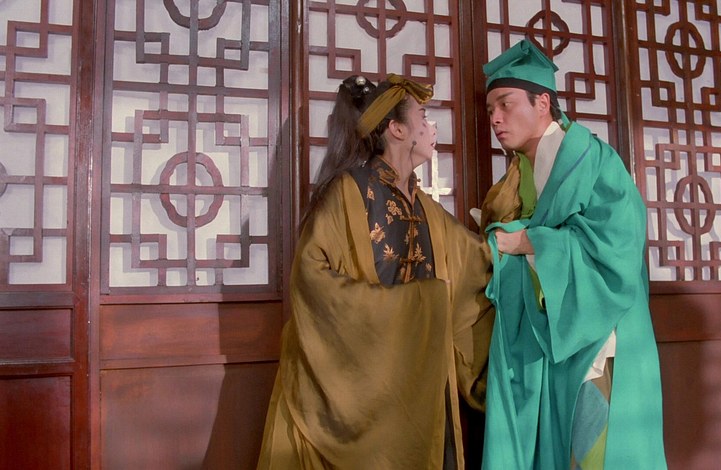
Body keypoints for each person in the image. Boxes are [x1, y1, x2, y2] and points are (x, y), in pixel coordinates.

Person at [257, 73, 494, 469]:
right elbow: (312, 283)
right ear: (397, 129)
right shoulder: (347, 192)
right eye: (423, 117)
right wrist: (419, 303)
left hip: (421, 382)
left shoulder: (426, 207)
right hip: (366, 383)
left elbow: (479, 261)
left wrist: (529, 244)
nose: (432, 126)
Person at [477, 39, 667, 469]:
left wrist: (527, 242)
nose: (496, 118)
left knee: (595, 455)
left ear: (543, 102)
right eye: (490, 110)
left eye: (506, 104)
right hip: (558, 335)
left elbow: (619, 247)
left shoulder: (592, 159)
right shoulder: (521, 173)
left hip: (602, 335)